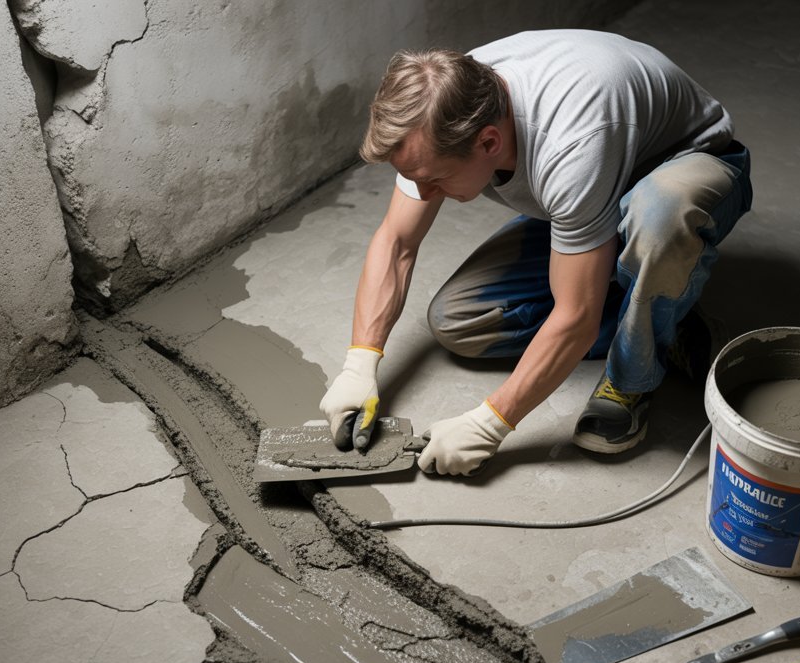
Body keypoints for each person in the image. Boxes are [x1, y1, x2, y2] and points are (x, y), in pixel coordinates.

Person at [319, 29, 753, 476]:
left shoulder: (571, 147)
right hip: (594, 192)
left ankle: (635, 373)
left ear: (488, 142)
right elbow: (396, 242)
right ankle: (658, 311)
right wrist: (360, 363)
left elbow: (576, 318)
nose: (424, 192)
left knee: (659, 213)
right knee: (460, 322)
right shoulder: (442, 102)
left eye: (434, 179)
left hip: (688, 167)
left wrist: (490, 422)